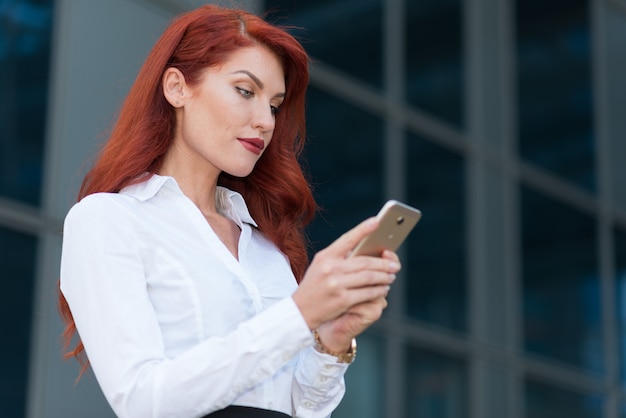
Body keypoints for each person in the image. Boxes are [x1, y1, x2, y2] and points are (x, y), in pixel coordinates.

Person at [58, 4, 400, 418]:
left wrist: (331, 337)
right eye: (245, 91)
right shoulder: (108, 220)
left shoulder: (266, 247)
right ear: (176, 88)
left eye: (274, 105)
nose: (265, 121)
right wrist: (299, 314)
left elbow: (302, 409)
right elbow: (142, 400)